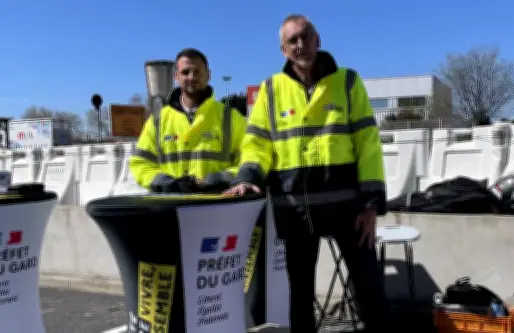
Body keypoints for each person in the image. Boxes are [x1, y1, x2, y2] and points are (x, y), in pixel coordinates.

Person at [224, 14, 388, 332]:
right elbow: (256, 144)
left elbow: (368, 143)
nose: (300, 45)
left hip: (349, 208)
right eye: (292, 40)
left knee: (370, 289)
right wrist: (246, 177)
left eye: (306, 36)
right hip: (295, 211)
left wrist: (371, 204)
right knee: (299, 298)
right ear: (283, 50)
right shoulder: (271, 90)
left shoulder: (348, 82)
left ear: (317, 40)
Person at [130, 48, 247, 193]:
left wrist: (221, 178)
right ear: (176, 76)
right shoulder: (158, 121)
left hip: (217, 202)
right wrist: (166, 183)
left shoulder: (231, 118)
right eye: (185, 72)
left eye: (197, 72)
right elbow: (140, 163)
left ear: (208, 75)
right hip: (171, 203)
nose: (191, 77)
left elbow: (249, 159)